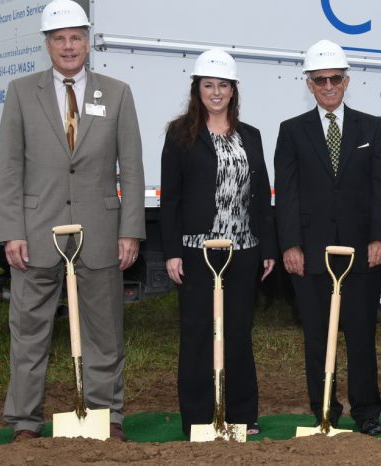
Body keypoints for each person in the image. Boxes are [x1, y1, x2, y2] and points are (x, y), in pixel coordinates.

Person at [0, 0, 144, 442]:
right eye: (59, 38)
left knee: (105, 333)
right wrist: (12, 233)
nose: (68, 46)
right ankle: (25, 420)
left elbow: (131, 169)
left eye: (76, 37)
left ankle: (108, 416)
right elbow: (8, 169)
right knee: (28, 332)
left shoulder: (116, 93)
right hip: (36, 234)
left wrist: (130, 230)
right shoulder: (22, 92)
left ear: (87, 41)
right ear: (47, 45)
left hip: (100, 233)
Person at [274, 40, 381, 436]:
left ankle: (367, 412)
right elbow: (286, 193)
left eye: (335, 79)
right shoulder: (291, 131)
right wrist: (290, 244)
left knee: (361, 335)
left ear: (347, 81)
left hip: (362, 254)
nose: (328, 86)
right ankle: (324, 408)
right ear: (309, 83)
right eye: (320, 79)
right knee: (316, 338)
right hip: (310, 254)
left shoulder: (371, 127)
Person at [159, 49, 276, 438]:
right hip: (197, 252)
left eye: (222, 85)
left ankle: (242, 415)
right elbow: (170, 199)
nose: (215, 92)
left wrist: (268, 249)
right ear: (197, 89)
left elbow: (262, 195)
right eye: (208, 85)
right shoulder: (180, 134)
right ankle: (197, 418)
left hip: (243, 251)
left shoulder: (251, 135)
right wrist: (173, 251)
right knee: (197, 332)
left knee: (238, 332)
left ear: (233, 90)